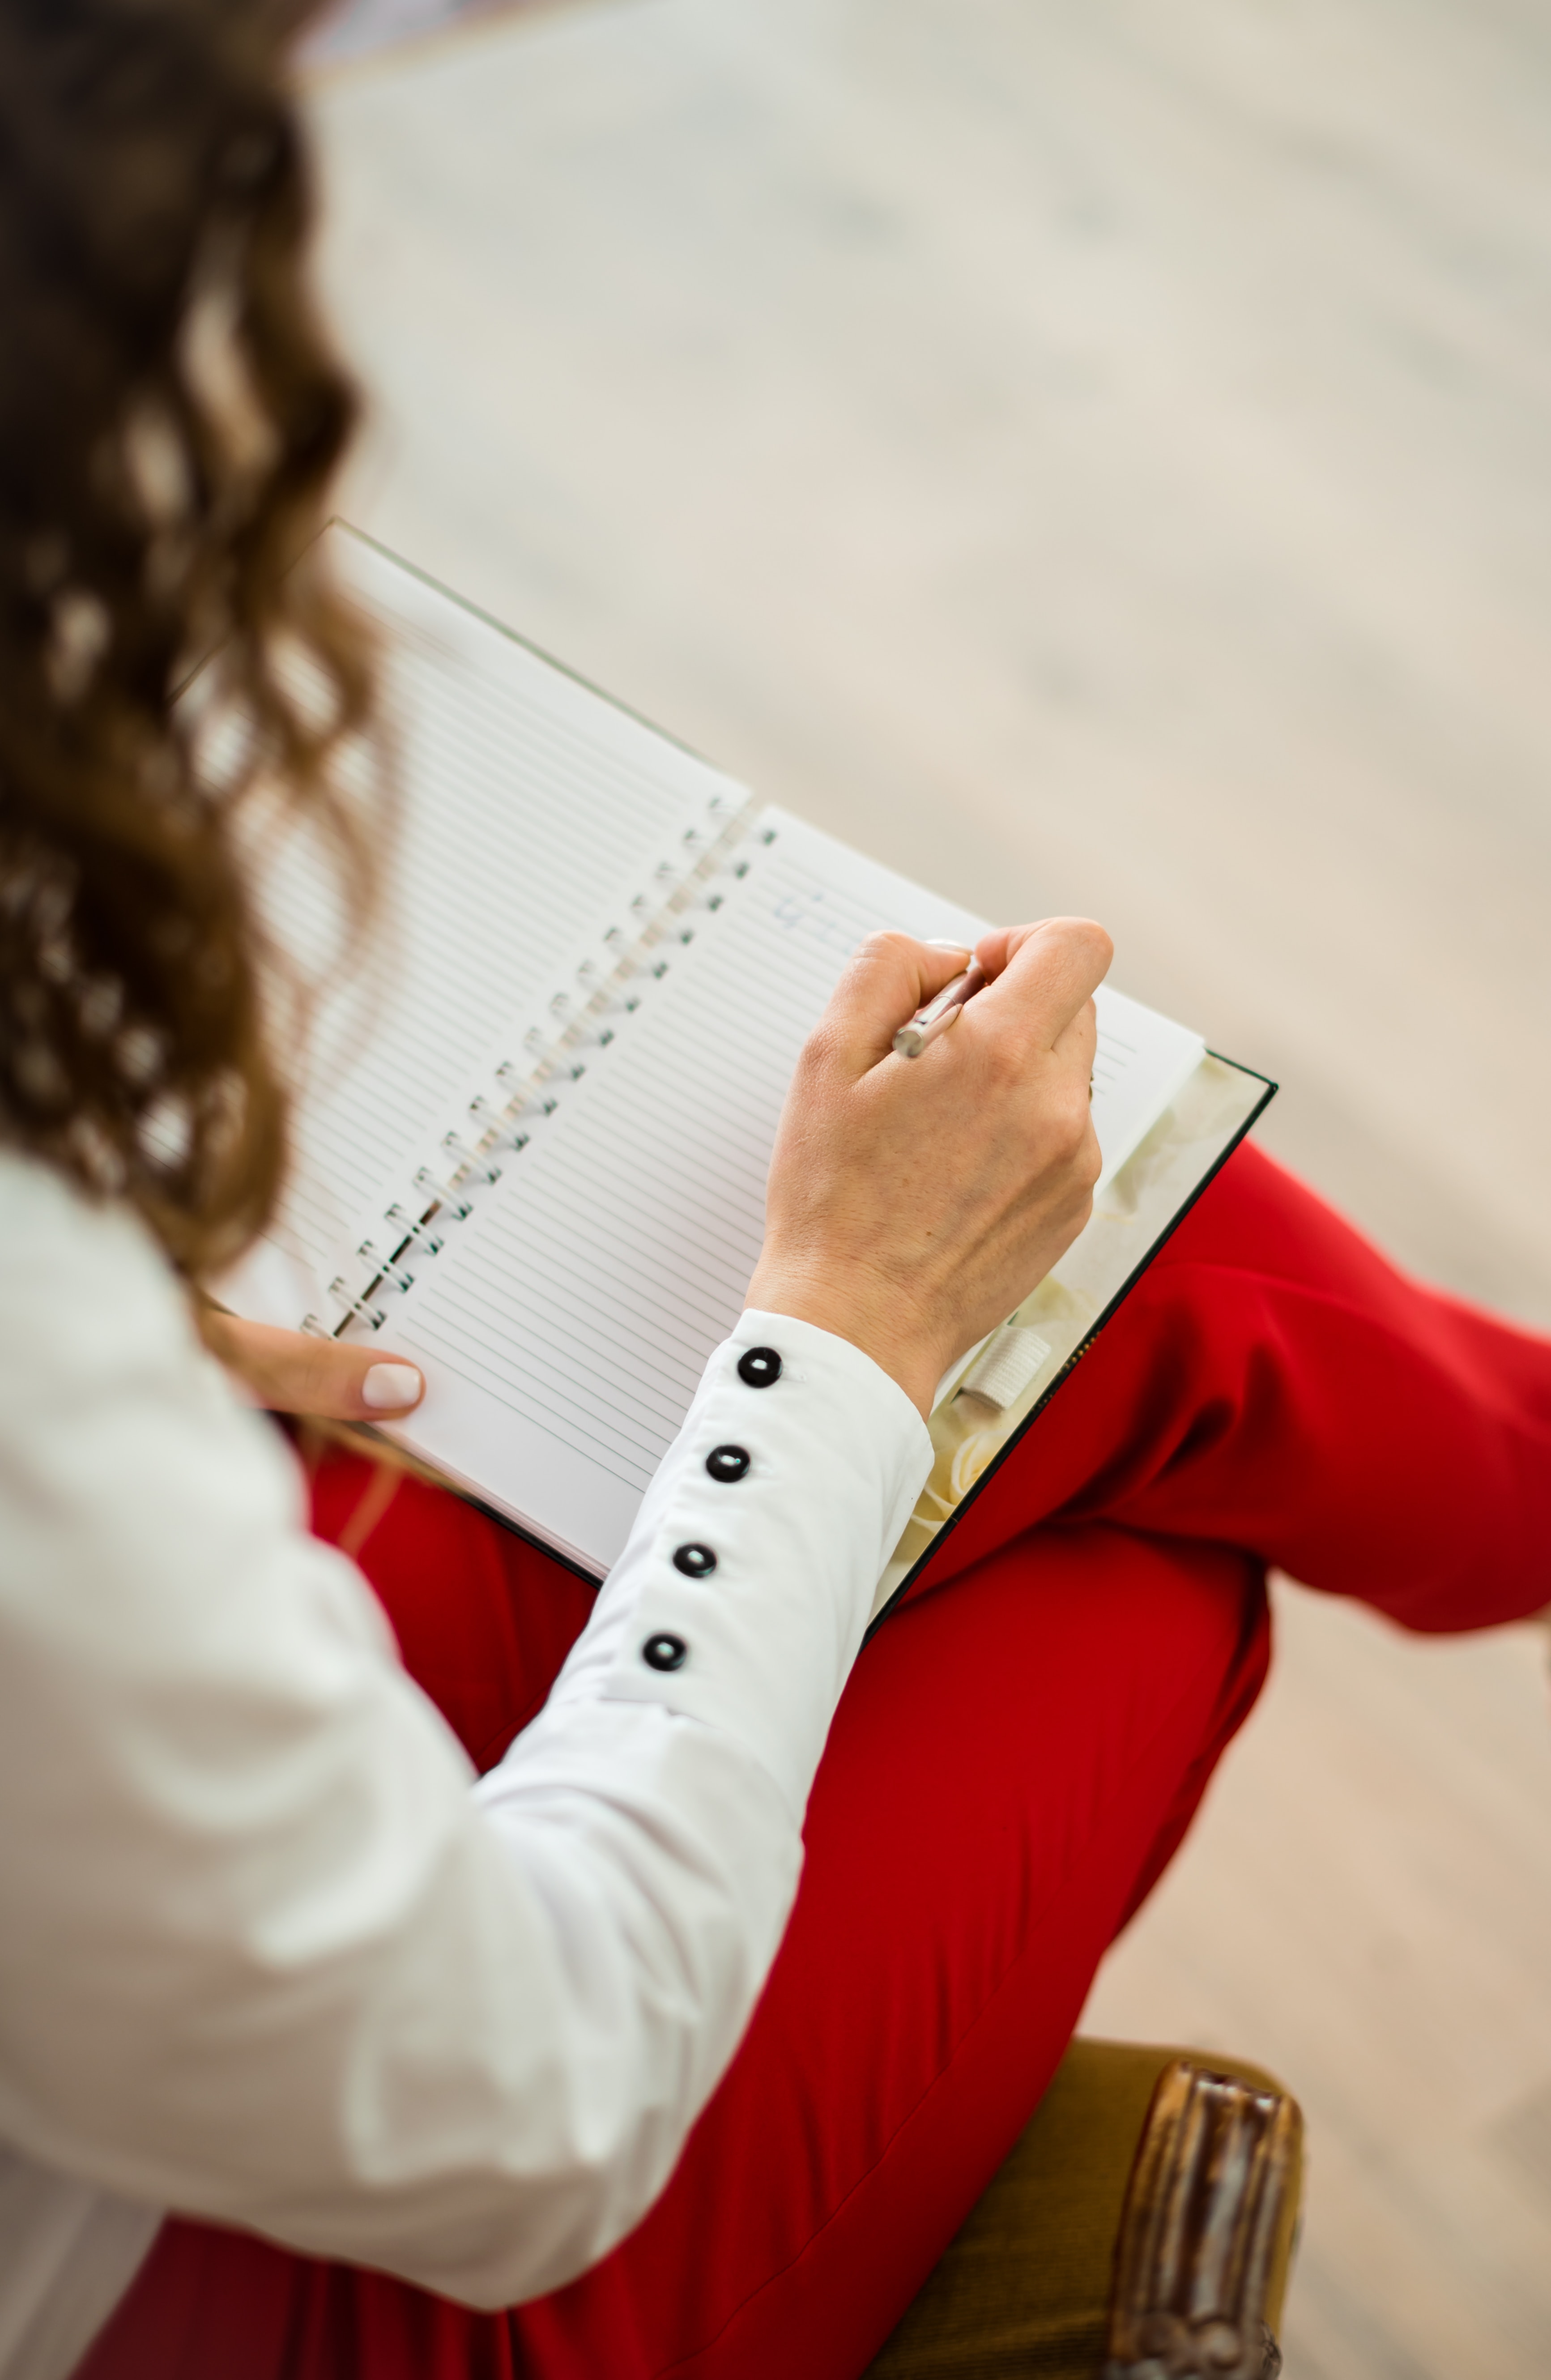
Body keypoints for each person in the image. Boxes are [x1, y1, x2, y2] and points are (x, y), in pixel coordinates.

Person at [1, 7, 1548, 2380]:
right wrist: (837, 1340)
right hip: (249, 2282)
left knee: (1061, 1272)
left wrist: (137, 1342)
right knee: (1110, 1488)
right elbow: (532, 2115)